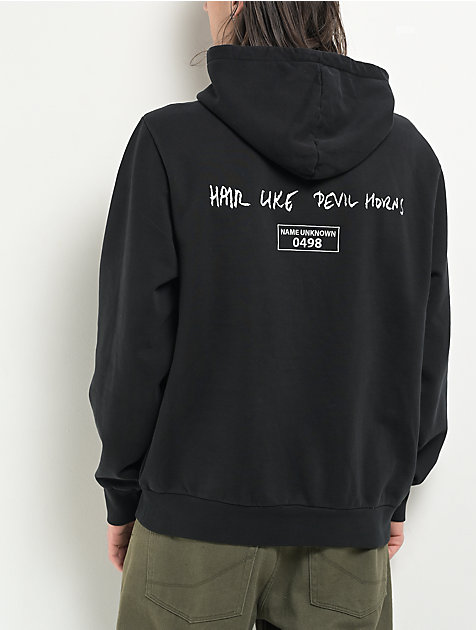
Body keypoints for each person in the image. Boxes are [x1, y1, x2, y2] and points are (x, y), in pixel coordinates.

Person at [88, 2, 451, 628]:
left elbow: (133, 346)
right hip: (347, 523)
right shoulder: (410, 159)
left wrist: (123, 491)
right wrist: (390, 491)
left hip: (191, 523)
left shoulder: (169, 143)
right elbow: (425, 347)